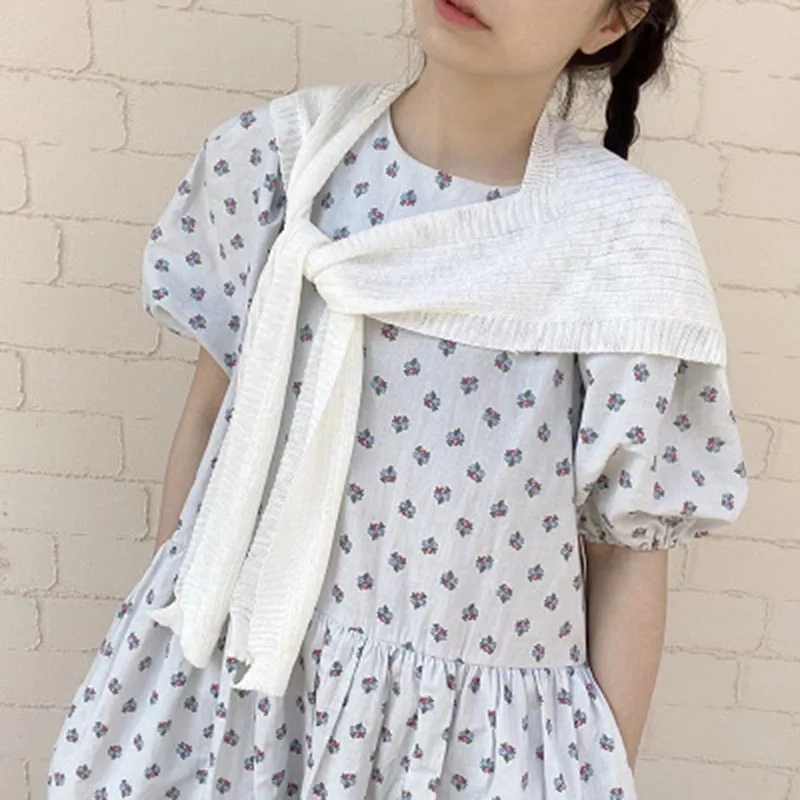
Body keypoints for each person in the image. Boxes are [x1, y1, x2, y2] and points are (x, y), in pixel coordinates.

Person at [46, 0, 747, 797]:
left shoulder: (625, 247)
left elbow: (625, 552)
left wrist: (600, 773)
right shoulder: (278, 161)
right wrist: (177, 649)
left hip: (470, 749)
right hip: (235, 699)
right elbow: (210, 417)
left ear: (611, 21)